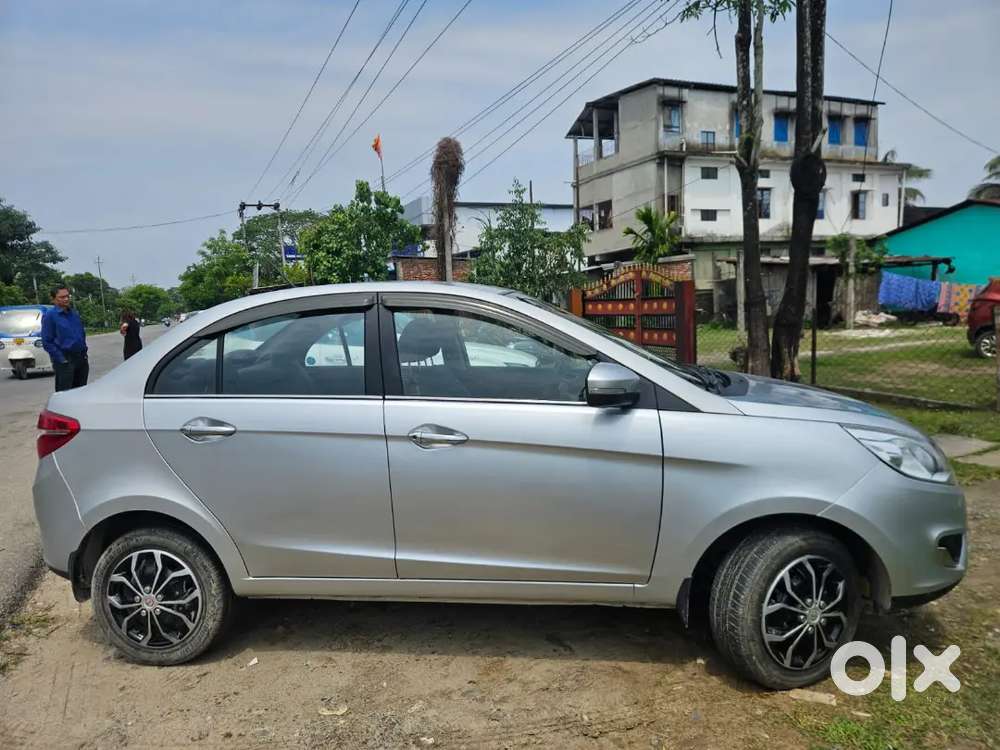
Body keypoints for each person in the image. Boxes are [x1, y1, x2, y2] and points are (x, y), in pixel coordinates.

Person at [41, 286, 89, 391]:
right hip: (65, 360)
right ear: (53, 299)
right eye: (62, 297)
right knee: (65, 394)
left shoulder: (74, 314)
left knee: (81, 392)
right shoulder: (50, 316)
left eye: (67, 296)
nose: (66, 299)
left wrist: (84, 353)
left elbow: (81, 333)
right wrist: (61, 359)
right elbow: (47, 341)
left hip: (81, 359)